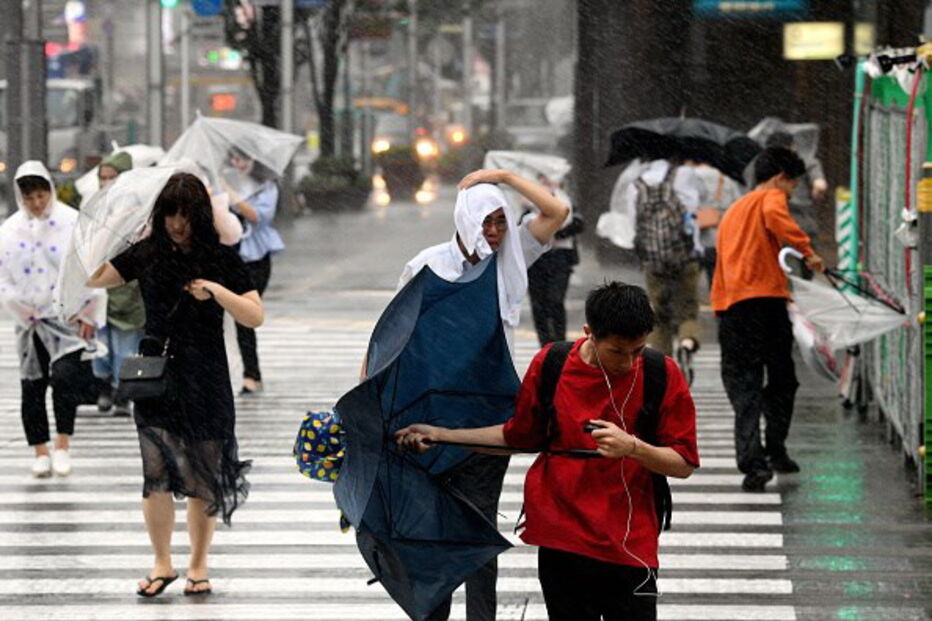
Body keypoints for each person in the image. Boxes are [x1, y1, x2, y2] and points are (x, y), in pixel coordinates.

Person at [395, 282, 699, 621]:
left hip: (630, 545)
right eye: (617, 351)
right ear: (589, 334)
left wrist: (634, 447)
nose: (628, 363)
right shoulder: (553, 364)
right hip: (562, 540)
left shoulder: (661, 373)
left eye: (638, 350)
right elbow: (519, 437)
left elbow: (683, 463)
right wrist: (441, 435)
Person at [395, 169, 569, 621]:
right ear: (464, 220)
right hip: (431, 416)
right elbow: (391, 343)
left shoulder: (510, 259)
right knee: (433, 527)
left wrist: (504, 177)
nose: (493, 233)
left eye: (500, 222)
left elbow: (557, 211)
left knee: (477, 526)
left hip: (488, 418)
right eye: (485, 222)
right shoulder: (427, 266)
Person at [87, 172, 263, 597]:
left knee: (204, 472)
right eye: (170, 213)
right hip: (157, 373)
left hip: (205, 371)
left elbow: (255, 315)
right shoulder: (145, 253)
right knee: (156, 472)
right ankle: (162, 562)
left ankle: (198, 565)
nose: (177, 223)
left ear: (199, 214)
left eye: (185, 213)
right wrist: (119, 227)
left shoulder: (220, 257)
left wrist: (217, 292)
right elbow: (94, 277)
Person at [711, 147, 825, 493]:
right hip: (765, 303)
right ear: (779, 178)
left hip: (730, 308)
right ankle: (775, 448)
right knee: (781, 381)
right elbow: (781, 221)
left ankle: (753, 463)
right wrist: (809, 253)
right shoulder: (770, 197)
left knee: (743, 386)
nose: (791, 192)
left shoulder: (733, 211)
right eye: (792, 185)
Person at [1, 161, 101, 478]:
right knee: (32, 385)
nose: (37, 204)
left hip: (67, 319)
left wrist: (91, 312)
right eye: (29, 198)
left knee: (64, 380)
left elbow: (90, 269)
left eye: (42, 195)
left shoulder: (72, 223)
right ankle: (40, 450)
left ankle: (62, 444)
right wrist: (19, 308)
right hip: (29, 322)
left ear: (51, 192)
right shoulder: (10, 230)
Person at [622, 156, 705, 360]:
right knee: (688, 310)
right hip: (685, 255)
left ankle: (662, 362)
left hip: (653, 259)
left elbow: (633, 222)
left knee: (658, 315)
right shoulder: (684, 175)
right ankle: (686, 342)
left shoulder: (637, 183)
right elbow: (700, 201)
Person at [91, 151, 146, 417]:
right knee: (101, 346)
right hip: (100, 287)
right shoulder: (94, 208)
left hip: (127, 287)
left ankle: (123, 393)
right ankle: (105, 388)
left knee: (126, 347)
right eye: (103, 177)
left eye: (113, 177)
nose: (107, 183)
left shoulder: (139, 210)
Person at [225, 147, 283, 394]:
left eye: (244, 158)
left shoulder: (266, 186)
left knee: (245, 313)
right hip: (231, 255)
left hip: (257, 256)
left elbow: (259, 216)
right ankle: (246, 372)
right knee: (231, 317)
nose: (239, 164)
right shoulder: (226, 183)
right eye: (235, 159)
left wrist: (233, 197)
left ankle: (252, 374)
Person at [523, 174, 582, 346]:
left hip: (561, 259)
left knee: (556, 300)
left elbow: (578, 223)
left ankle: (559, 341)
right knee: (538, 304)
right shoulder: (529, 204)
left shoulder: (567, 202)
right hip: (536, 261)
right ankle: (545, 344)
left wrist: (555, 233)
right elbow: (523, 227)